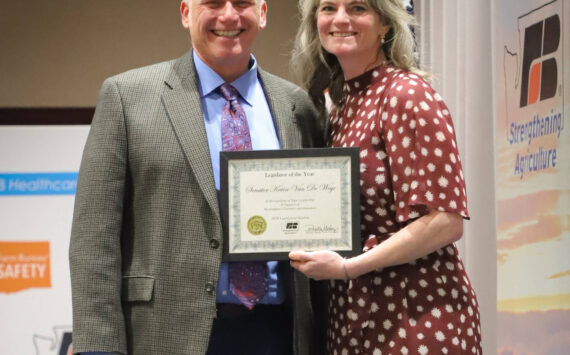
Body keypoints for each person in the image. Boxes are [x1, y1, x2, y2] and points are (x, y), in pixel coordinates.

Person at [69, 1, 324, 354]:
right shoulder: (127, 97)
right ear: (186, 12)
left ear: (263, 13)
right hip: (163, 332)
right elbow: (93, 238)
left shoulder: (297, 106)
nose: (229, 15)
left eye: (243, 3)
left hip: (278, 333)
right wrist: (98, 346)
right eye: (214, 3)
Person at [289, 0, 483, 354]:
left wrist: (348, 268)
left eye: (358, 8)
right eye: (328, 7)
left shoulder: (406, 95)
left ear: (386, 26)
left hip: (415, 316)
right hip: (357, 313)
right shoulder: (343, 107)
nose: (341, 19)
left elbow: (445, 221)